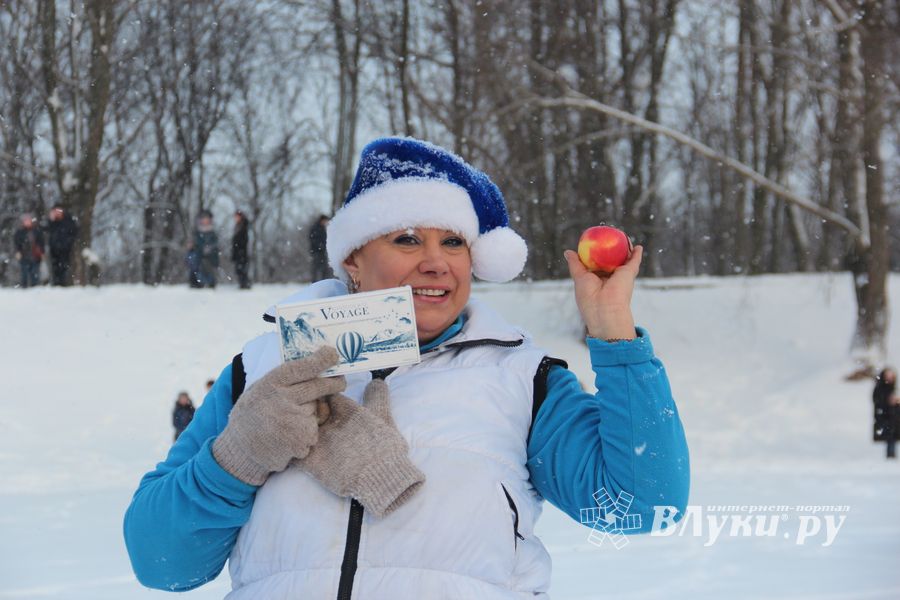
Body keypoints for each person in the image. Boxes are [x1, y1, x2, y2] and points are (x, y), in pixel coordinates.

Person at [124, 137, 690, 598]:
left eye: (454, 242)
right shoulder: (262, 369)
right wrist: (235, 459)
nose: (436, 262)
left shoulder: (523, 378)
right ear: (353, 257)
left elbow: (645, 508)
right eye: (407, 238)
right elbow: (161, 562)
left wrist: (614, 332)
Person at [46, 205, 78, 286]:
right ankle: (56, 283)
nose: (57, 213)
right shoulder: (52, 222)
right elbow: (46, 230)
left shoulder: (68, 221)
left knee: (64, 267)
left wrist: (68, 242)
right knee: (55, 267)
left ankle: (63, 283)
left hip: (65, 249)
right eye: (55, 211)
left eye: (59, 211)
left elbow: (74, 232)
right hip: (54, 249)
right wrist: (51, 220)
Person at [189, 210, 220, 288]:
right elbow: (196, 243)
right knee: (199, 268)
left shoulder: (212, 232)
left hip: (210, 255)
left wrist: (210, 248)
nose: (205, 220)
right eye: (203, 218)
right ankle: (198, 282)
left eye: (207, 218)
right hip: (199, 254)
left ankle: (210, 282)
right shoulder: (197, 231)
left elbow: (215, 243)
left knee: (209, 268)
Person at [13, 213, 45, 288]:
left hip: (35, 256)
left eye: (28, 220)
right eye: (25, 220)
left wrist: (42, 252)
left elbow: (41, 242)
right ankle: (24, 287)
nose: (27, 222)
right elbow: (17, 243)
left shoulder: (37, 231)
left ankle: (35, 287)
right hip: (24, 255)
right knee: (24, 273)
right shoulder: (19, 232)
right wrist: (18, 252)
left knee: (35, 273)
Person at [873, 368, 899, 458]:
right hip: (885, 416)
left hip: (893, 417)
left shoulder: (893, 387)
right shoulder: (880, 388)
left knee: (893, 436)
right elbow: (878, 401)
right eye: (888, 375)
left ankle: (892, 456)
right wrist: (888, 402)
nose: (890, 378)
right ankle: (890, 456)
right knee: (889, 436)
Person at [231, 210, 251, 289]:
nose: (235, 218)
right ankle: (242, 284)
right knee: (238, 269)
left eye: (237, 217)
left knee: (242, 269)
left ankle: (245, 284)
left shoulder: (243, 226)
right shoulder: (238, 226)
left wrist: (240, 249)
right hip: (238, 251)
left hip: (242, 252)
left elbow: (244, 240)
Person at [308, 214, 330, 281]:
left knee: (324, 269)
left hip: (322, 252)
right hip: (316, 252)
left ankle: (324, 282)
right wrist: (320, 246)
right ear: (322, 220)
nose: (326, 222)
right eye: (325, 221)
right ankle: (314, 283)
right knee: (316, 269)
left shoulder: (323, 228)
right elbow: (313, 239)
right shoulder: (315, 228)